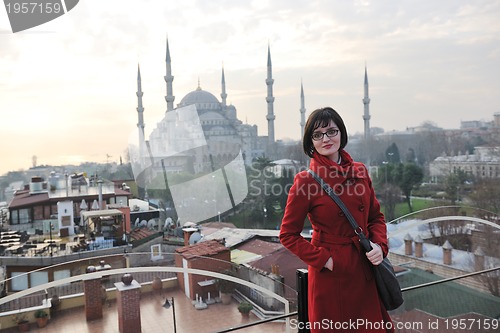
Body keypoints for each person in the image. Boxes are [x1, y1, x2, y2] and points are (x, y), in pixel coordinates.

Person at [279, 107, 394, 333]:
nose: (326, 139)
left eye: (331, 131)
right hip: (332, 276)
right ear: (310, 142)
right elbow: (287, 235)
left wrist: (380, 246)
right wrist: (325, 260)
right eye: (318, 134)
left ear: (341, 133)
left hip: (364, 267)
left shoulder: (360, 171)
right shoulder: (305, 182)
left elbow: (375, 217)